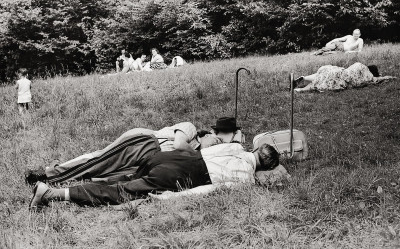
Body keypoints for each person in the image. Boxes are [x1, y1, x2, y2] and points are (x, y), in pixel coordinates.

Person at [29, 141, 280, 208]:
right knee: (123, 192)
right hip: (184, 174)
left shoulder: (236, 147)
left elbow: (204, 151)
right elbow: (209, 189)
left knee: (127, 179)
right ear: (266, 168)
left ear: (256, 149)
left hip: (172, 157)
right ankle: (52, 193)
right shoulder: (246, 180)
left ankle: (82, 180)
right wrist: (170, 198)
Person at [24, 122, 221, 186]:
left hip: (149, 157)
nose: (216, 144)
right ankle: (46, 175)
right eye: (217, 140)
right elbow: (178, 144)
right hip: (144, 143)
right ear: (209, 134)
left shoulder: (198, 153)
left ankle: (58, 171)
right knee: (99, 161)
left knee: (105, 174)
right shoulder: (191, 129)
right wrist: (197, 154)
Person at [293, 63, 396, 92]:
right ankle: (299, 90)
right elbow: (378, 79)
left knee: (321, 75)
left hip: (339, 70)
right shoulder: (369, 76)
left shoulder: (359, 65)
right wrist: (390, 77)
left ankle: (304, 78)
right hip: (340, 78)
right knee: (321, 83)